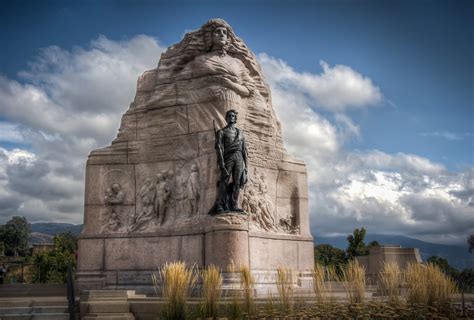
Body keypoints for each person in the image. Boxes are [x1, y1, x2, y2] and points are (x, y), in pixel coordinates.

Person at [213, 109, 248, 213]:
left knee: (237, 182)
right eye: (229, 115)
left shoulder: (240, 132)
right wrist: (222, 163)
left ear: (235, 118)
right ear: (226, 118)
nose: (231, 117)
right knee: (224, 181)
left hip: (239, 158)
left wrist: (246, 167)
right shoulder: (221, 132)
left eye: (233, 116)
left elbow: (244, 150)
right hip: (228, 157)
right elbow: (219, 148)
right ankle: (220, 204)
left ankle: (234, 204)